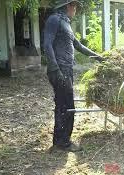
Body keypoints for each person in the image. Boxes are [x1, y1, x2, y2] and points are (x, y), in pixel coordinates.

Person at [44, 0, 103, 151]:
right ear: (68, 6)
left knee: (63, 105)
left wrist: (99, 57)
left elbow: (79, 46)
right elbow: (47, 44)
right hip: (60, 70)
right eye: (74, 6)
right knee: (67, 106)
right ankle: (63, 143)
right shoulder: (54, 19)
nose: (75, 9)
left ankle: (59, 141)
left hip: (66, 70)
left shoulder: (66, 24)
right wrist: (55, 68)